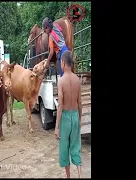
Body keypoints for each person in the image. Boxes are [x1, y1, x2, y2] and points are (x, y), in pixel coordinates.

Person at [54, 50, 82, 178]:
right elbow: (79, 102)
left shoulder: (61, 81)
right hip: (75, 115)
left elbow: (60, 104)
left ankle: (68, 176)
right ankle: (80, 175)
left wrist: (57, 127)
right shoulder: (77, 80)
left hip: (65, 118)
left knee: (64, 148)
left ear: (64, 63)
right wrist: (79, 118)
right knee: (76, 147)